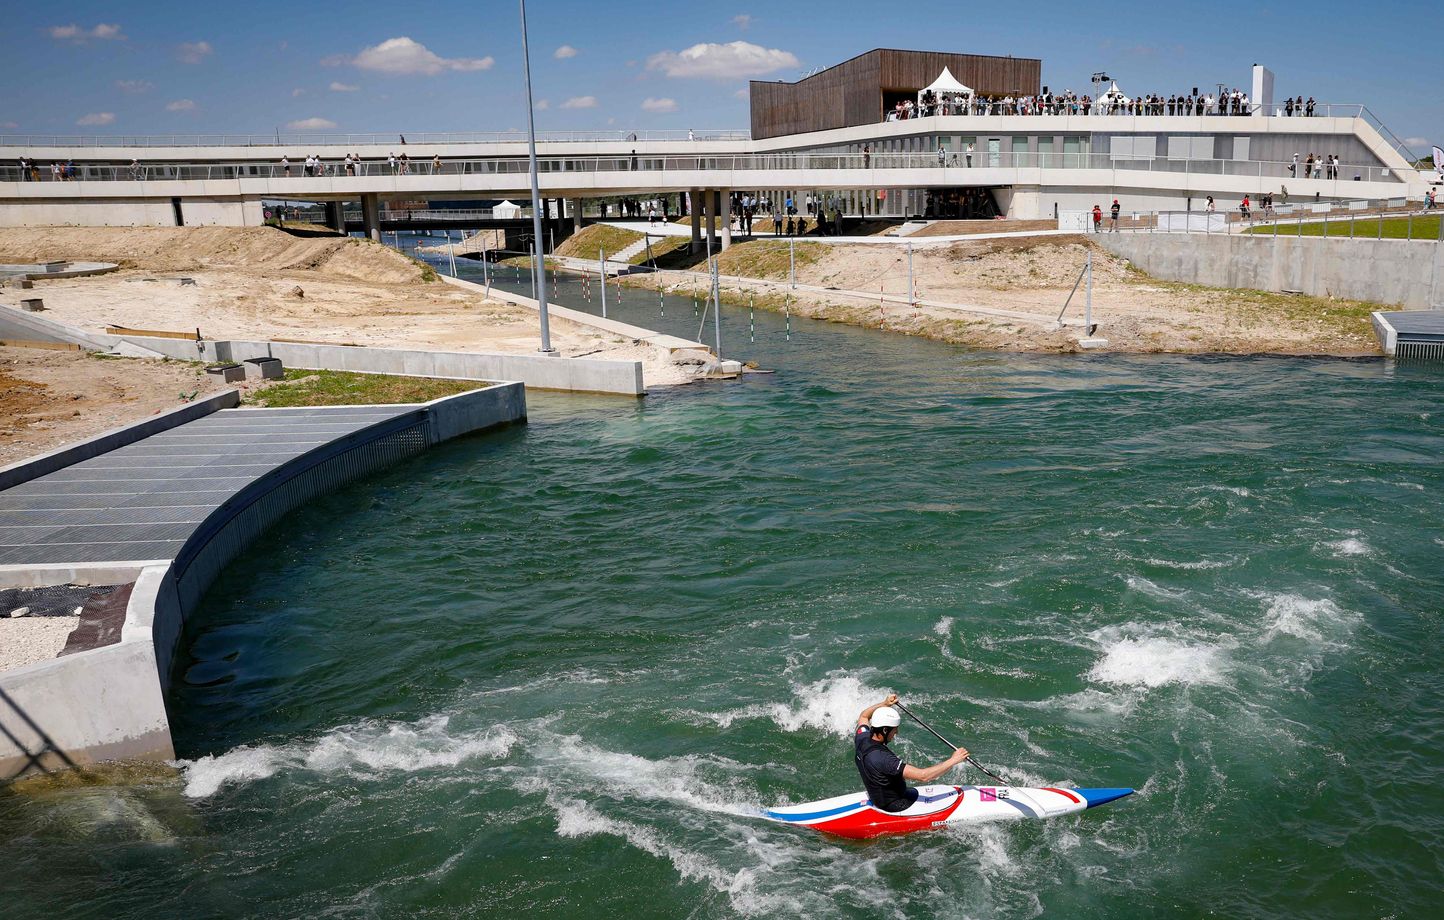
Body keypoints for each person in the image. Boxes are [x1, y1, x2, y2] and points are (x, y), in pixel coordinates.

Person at [854, 694, 969, 813]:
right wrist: (954, 760)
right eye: (894, 729)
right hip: (898, 805)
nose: (896, 732)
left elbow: (864, 716)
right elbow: (923, 776)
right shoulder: (884, 759)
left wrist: (885, 704)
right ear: (884, 730)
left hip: (880, 797)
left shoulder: (862, 738)